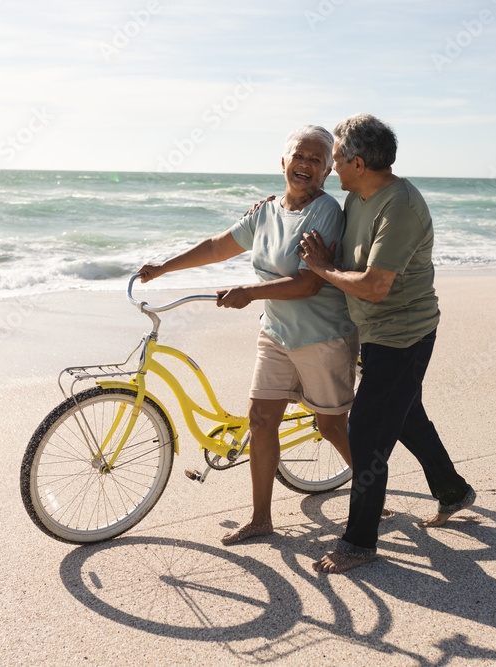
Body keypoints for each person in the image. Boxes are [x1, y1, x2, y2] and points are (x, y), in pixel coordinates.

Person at [136, 125, 359, 545]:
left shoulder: (327, 212)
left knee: (330, 426)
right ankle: (261, 519)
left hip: (323, 336)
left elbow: (309, 283)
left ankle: (371, 493)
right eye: (299, 155)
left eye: (317, 159)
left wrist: (249, 292)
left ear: (329, 170)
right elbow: (219, 245)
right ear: (283, 161)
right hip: (276, 332)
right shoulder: (267, 210)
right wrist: (165, 266)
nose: (306, 164)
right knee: (260, 420)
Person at [298, 114, 475, 573]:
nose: (332, 168)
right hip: (373, 332)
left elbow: (376, 286)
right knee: (405, 415)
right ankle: (452, 490)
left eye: (335, 159)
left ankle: (359, 542)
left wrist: (320, 270)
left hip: (404, 335)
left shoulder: (400, 207)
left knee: (368, 434)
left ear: (358, 162)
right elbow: (316, 208)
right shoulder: (359, 194)